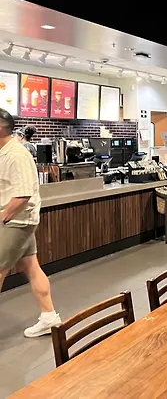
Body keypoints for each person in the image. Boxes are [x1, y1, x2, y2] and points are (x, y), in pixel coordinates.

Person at [0, 109, 61, 337]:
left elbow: (23, 194)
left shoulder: (16, 154)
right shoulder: (5, 152)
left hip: (16, 221)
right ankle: (49, 318)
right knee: (32, 267)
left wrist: (3, 216)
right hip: (18, 220)